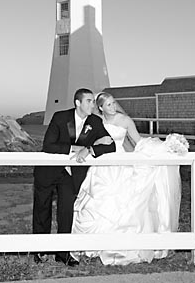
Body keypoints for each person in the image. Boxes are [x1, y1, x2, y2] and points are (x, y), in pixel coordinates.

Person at [71, 92, 186, 266]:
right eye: (108, 105)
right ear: (100, 107)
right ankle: (92, 244)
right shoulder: (95, 121)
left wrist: (164, 147)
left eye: (114, 103)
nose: (113, 107)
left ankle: (121, 244)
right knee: (95, 202)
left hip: (122, 164)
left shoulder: (125, 121)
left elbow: (139, 142)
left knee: (123, 202)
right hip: (102, 165)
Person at [32, 88, 116, 266]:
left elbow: (111, 145)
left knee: (66, 211)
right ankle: (40, 249)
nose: (93, 105)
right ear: (78, 103)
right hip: (48, 170)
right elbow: (49, 145)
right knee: (42, 209)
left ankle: (63, 253)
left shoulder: (95, 121)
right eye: (89, 101)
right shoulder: (60, 117)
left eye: (93, 101)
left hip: (71, 173)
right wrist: (78, 149)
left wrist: (91, 149)